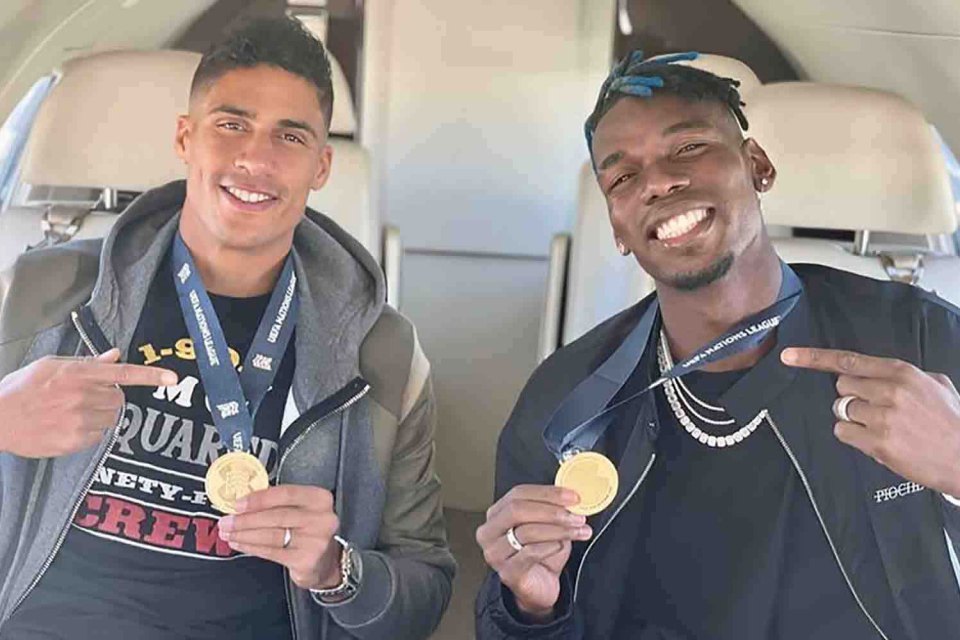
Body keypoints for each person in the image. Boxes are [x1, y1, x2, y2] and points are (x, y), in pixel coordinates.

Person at [475, 50, 960, 639]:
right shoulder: (566, 403)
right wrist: (532, 610)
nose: (657, 182)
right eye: (622, 177)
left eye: (688, 148)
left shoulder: (921, 340)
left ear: (758, 166)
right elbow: (510, 623)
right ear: (618, 229)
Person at [0, 17, 453, 640]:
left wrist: (334, 568)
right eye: (231, 124)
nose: (255, 159)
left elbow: (423, 593)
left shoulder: (383, 356)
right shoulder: (30, 297)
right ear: (186, 138)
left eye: (289, 137)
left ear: (321, 166)